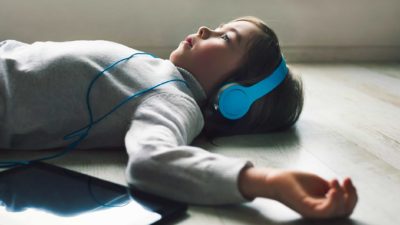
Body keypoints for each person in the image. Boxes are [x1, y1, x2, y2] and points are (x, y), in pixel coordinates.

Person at [0, 16, 357, 219]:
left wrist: (267, 182)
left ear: (233, 97)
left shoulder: (173, 100)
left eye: (225, 38)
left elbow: (153, 160)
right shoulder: (159, 72)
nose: (205, 29)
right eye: (219, 26)